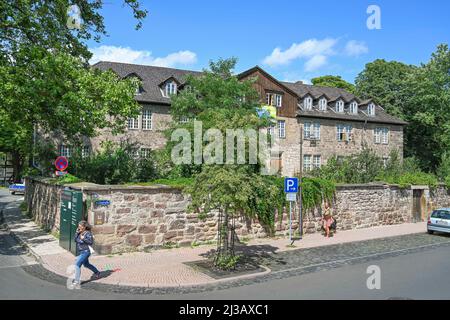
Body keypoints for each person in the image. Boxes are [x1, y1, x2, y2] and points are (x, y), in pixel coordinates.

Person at [70, 220, 101, 289]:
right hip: (81, 251)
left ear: (84, 227)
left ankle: (76, 281)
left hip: (86, 251)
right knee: (86, 264)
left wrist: (84, 239)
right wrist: (76, 233)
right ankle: (97, 272)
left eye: (80, 226)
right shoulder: (79, 232)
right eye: (78, 226)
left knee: (77, 265)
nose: (79, 227)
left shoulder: (88, 233)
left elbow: (90, 242)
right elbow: (75, 240)